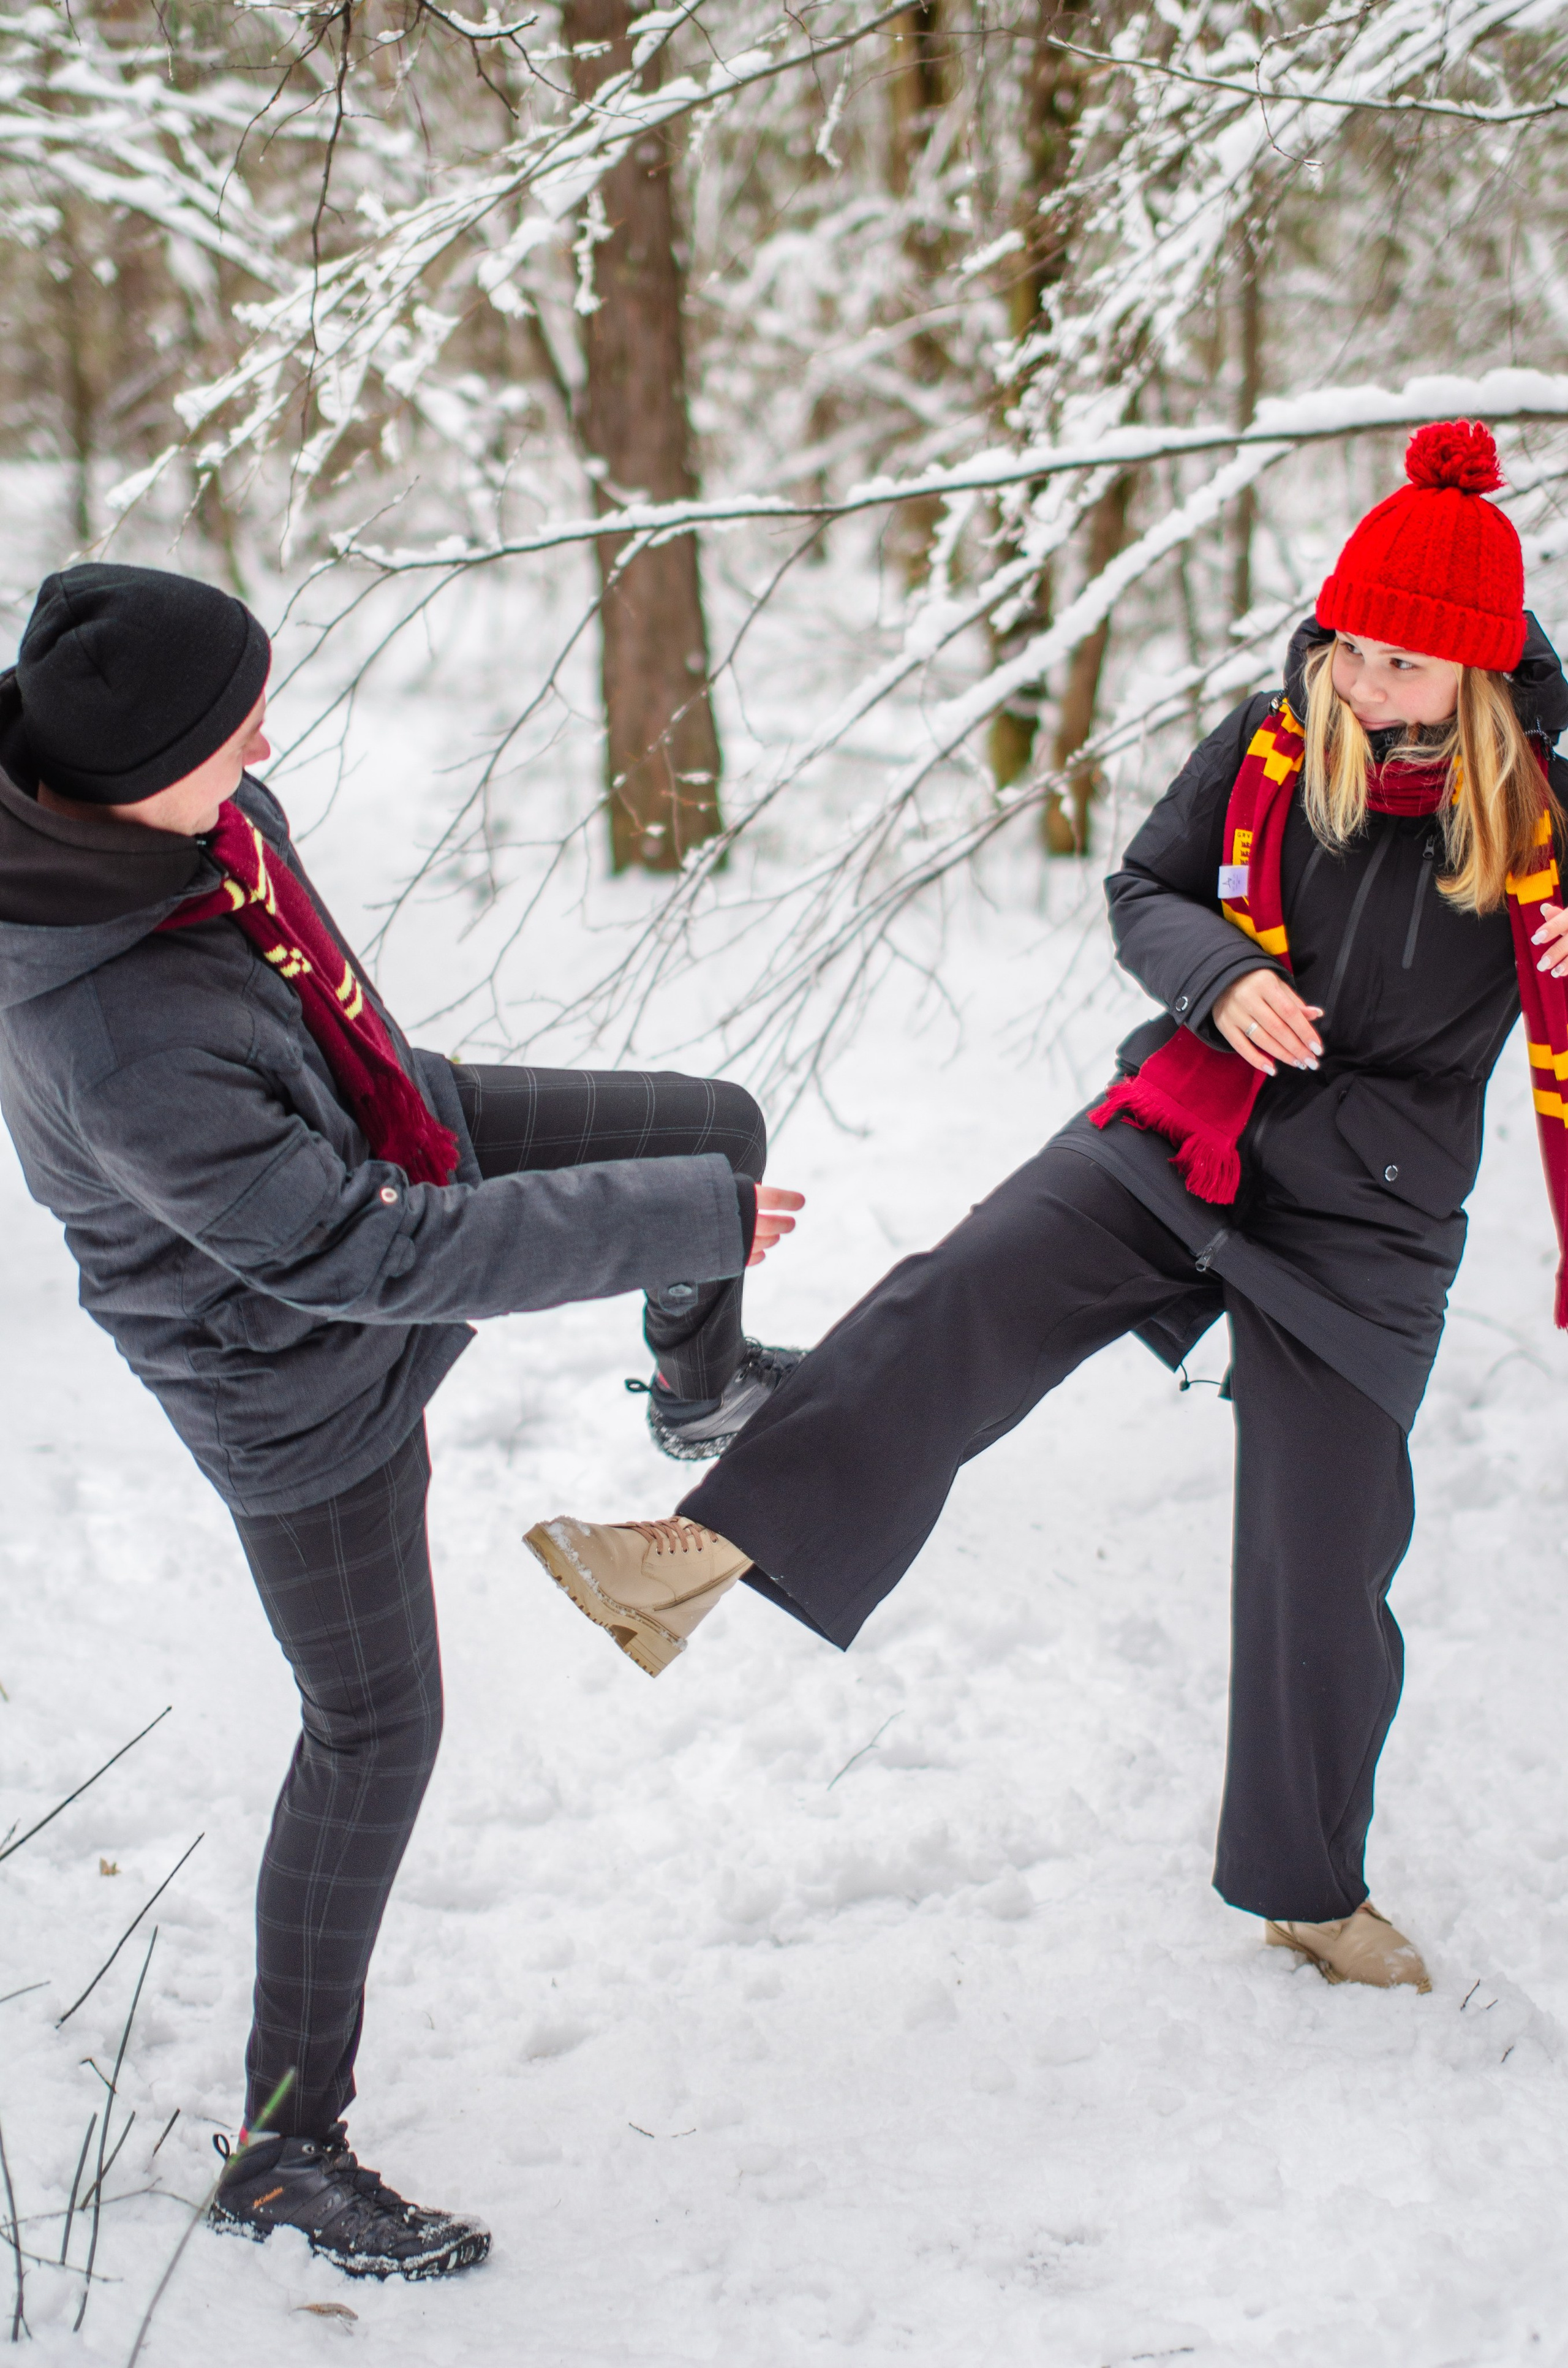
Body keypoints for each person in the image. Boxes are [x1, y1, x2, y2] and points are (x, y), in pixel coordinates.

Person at [525, 418, 1568, 1997]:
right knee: (963, 1291)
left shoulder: (1547, 817)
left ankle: (1310, 1887)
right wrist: (1219, 979)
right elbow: (1147, 888)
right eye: (1346, 650)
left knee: (1322, 1553)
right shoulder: (1280, 737)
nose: (1358, 687)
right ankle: (697, 1548)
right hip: (1190, 1127)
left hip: (1371, 1214)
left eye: (1400, 673)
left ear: (1479, 679)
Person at [0, 561, 804, 2280]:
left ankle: (697, 1385)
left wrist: (686, 1213)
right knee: (373, 1729)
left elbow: (332, 1059)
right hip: (289, 1375)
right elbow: (364, 1261)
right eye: (234, 729)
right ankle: (288, 2145)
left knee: (714, 1129)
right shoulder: (109, 1032)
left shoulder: (169, 815)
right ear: (136, 767)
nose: (266, 747)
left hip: (390, 1136)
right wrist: (676, 1226)